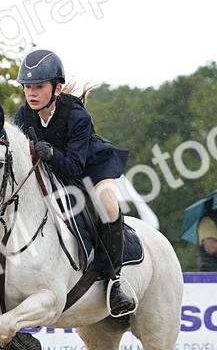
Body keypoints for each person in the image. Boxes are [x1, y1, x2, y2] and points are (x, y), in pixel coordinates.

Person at [11, 48, 135, 316]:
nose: (31, 93)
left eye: (39, 87)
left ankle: (115, 281)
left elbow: (74, 168)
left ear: (57, 89)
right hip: (53, 171)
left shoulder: (78, 117)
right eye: (27, 87)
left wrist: (51, 153)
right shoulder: (23, 117)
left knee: (107, 204)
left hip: (91, 168)